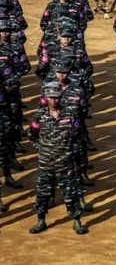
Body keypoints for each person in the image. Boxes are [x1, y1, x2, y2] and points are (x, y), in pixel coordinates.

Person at [29, 82, 87, 235]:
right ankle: (41, 220)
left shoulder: (70, 114)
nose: (53, 100)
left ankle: (77, 221)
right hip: (46, 163)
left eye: (56, 97)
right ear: (45, 98)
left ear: (60, 97)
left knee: (71, 194)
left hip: (66, 163)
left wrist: (69, 152)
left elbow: (78, 136)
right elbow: (33, 136)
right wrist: (43, 149)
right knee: (42, 194)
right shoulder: (39, 116)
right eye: (50, 97)